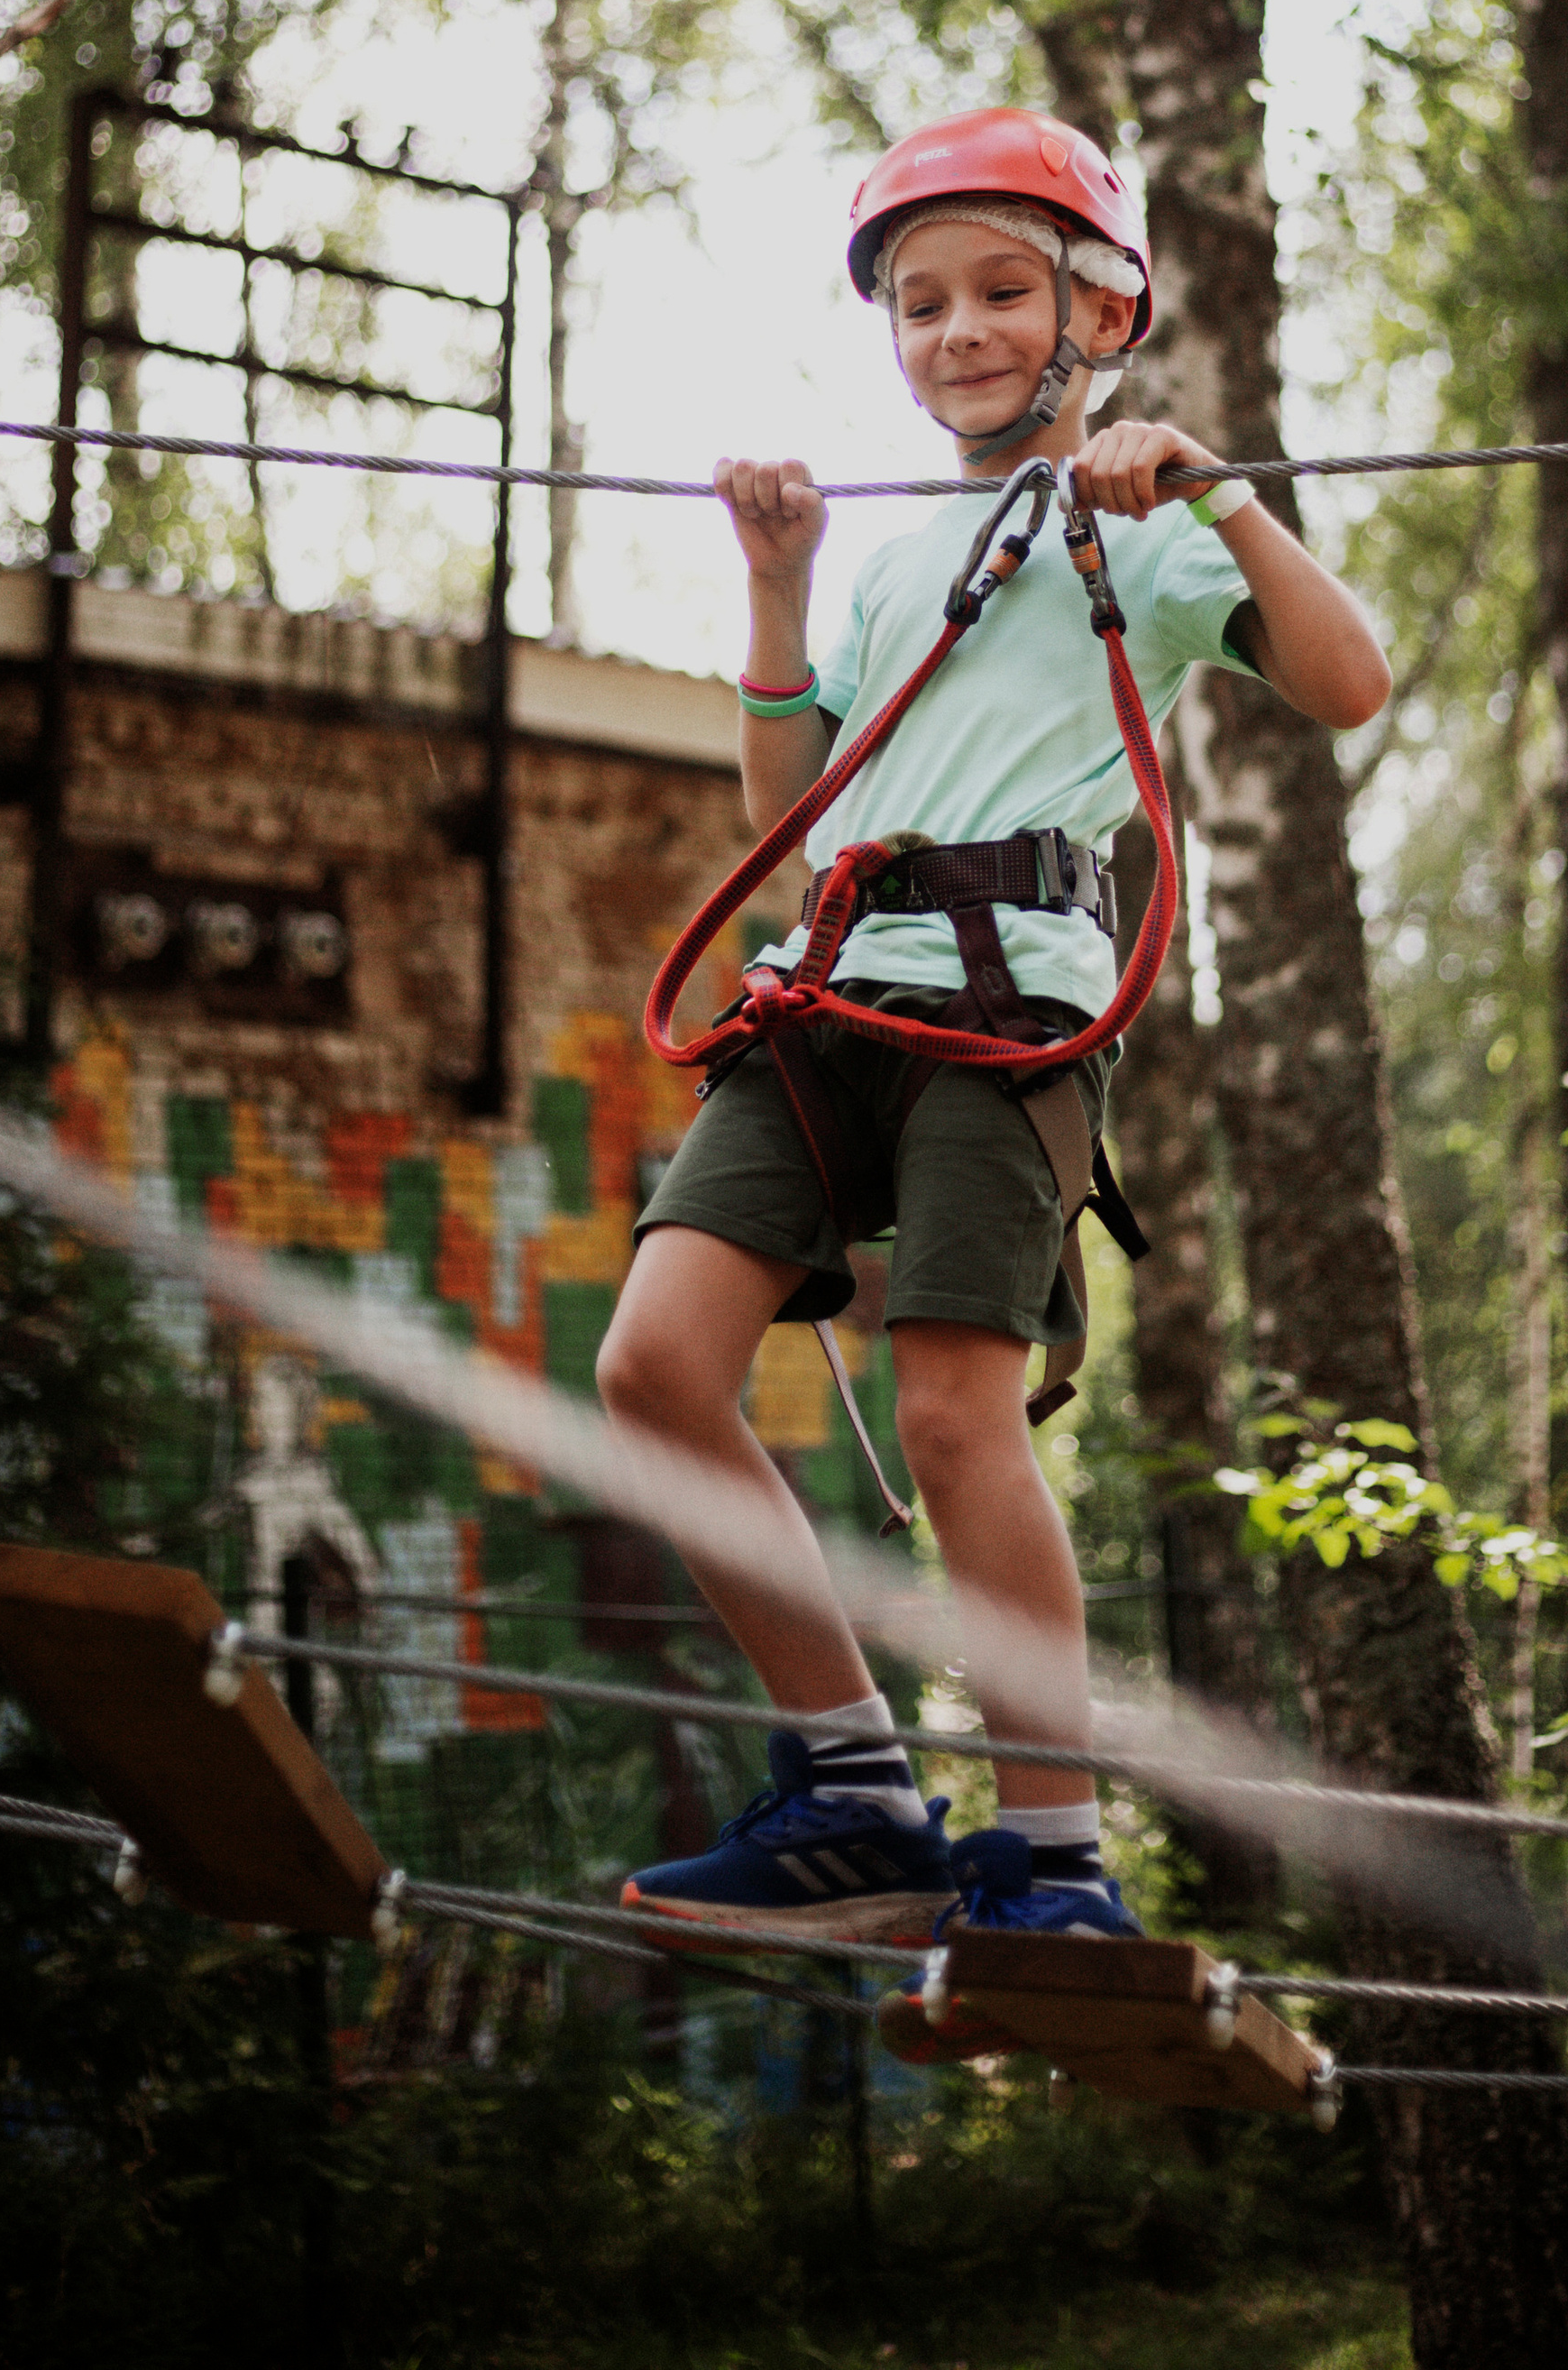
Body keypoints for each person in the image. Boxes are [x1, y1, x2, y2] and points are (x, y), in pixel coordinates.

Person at [599, 106, 1390, 1949]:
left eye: (1001, 291)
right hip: (824, 997)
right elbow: (785, 811)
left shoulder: (1148, 535)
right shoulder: (892, 558)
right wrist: (779, 584)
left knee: (955, 1415)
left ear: (1099, 312)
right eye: (921, 301)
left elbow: (1345, 684)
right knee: (650, 1371)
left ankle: (1051, 1855)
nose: (954, 330)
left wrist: (1215, 492)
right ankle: (851, 1791)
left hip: (1006, 1008)